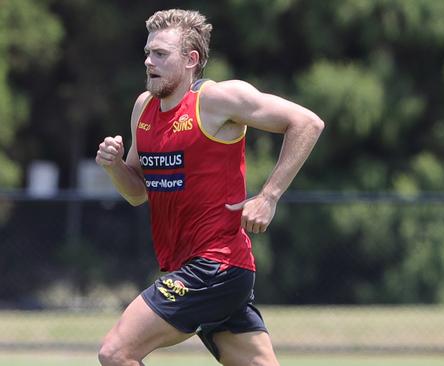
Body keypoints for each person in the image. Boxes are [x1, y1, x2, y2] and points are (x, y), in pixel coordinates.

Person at [94, 8, 324, 366]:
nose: (148, 61)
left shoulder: (216, 100)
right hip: (192, 270)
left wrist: (269, 196)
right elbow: (138, 192)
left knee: (116, 352)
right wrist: (114, 167)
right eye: (147, 52)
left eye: (160, 54)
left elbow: (307, 123)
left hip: (215, 266)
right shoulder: (144, 108)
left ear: (191, 59)